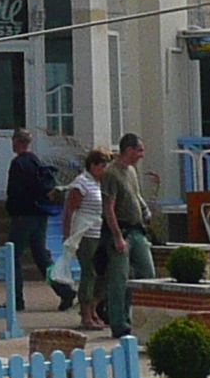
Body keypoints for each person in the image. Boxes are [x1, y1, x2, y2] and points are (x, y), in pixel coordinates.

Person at [100, 135, 158, 336]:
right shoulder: (111, 174)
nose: (142, 155)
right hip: (121, 231)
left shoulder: (131, 171)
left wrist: (144, 211)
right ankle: (119, 322)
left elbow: (136, 195)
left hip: (137, 229)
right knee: (119, 278)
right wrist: (116, 236)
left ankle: (139, 316)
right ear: (129, 150)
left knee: (148, 274)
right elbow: (109, 208)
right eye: (139, 150)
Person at [2, 130, 62, 308]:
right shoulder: (36, 161)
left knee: (13, 257)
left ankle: (16, 299)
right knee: (41, 256)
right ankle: (64, 290)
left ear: (17, 142)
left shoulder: (18, 163)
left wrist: (10, 209)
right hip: (40, 214)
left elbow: (14, 192)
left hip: (23, 216)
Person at [65, 148, 111, 323]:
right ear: (92, 165)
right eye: (101, 166)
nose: (104, 170)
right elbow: (70, 209)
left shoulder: (100, 184)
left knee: (104, 272)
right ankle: (85, 312)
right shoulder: (82, 183)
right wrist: (67, 234)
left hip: (99, 232)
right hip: (85, 234)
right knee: (89, 272)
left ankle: (94, 307)